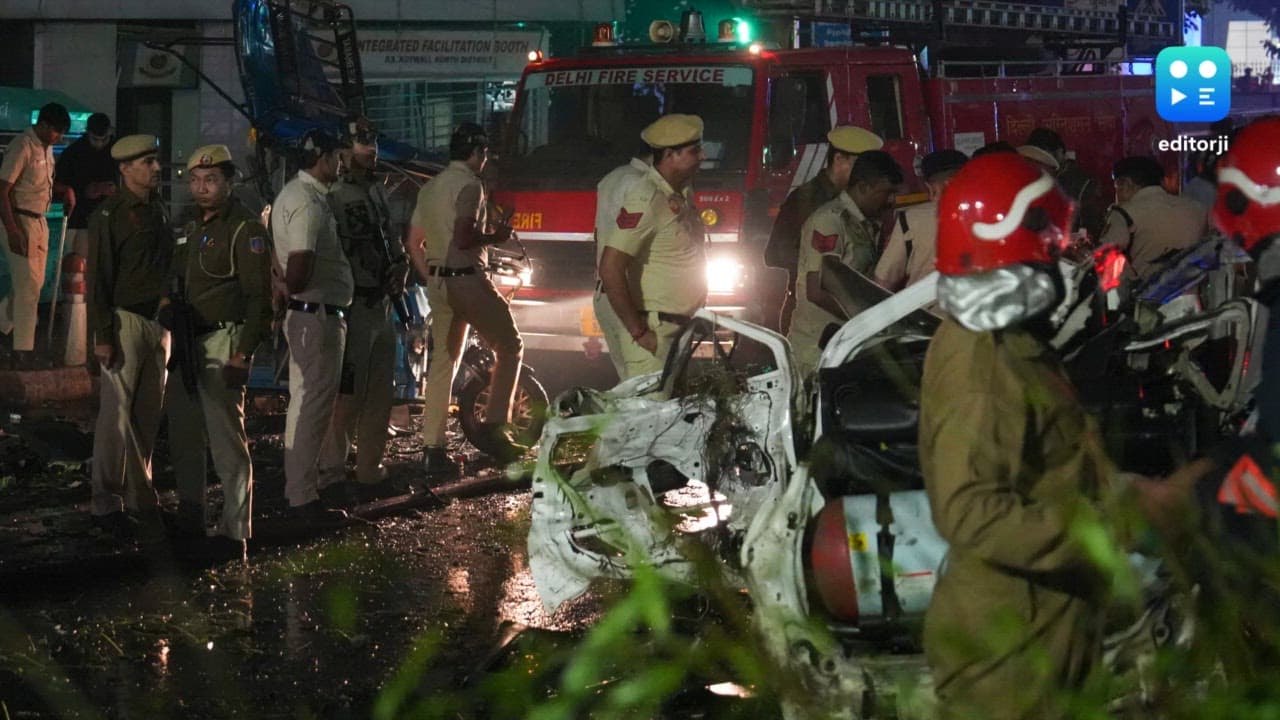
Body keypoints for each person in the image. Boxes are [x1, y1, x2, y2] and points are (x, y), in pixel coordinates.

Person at [918, 152, 1110, 719]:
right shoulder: (985, 358)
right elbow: (970, 510)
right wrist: (1101, 536)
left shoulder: (1004, 342)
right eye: (1054, 245)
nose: (1065, 257)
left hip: (1034, 631)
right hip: (1011, 657)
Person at [162, 144, 272, 558]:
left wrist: (243, 355)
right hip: (188, 343)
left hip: (224, 340)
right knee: (185, 434)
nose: (202, 187)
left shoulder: (245, 229)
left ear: (229, 182)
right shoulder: (189, 225)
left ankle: (235, 531)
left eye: (211, 180)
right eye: (195, 180)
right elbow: (175, 278)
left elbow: (259, 299)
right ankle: (192, 516)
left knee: (227, 439)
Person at [408, 122, 525, 478]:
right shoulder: (470, 185)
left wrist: (432, 278)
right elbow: (463, 236)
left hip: (439, 283)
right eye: (484, 153)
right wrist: (495, 236)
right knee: (510, 345)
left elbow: (414, 242)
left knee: (443, 365)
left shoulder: (430, 188)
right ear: (476, 153)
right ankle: (494, 430)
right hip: (467, 279)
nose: (485, 160)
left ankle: (433, 450)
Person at [317, 115, 408, 502]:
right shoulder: (333, 194)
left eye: (373, 142)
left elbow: (391, 238)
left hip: (382, 302)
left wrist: (401, 268)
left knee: (379, 393)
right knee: (347, 395)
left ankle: (370, 469)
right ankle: (331, 474)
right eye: (361, 143)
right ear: (342, 149)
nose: (371, 150)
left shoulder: (376, 190)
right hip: (353, 305)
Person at [86, 134, 171, 539]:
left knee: (146, 416)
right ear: (124, 169)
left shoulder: (156, 210)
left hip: (157, 323)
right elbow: (97, 279)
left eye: (154, 160)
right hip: (125, 322)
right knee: (115, 418)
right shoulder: (110, 215)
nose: (155, 167)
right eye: (145, 162)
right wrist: (103, 335)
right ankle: (105, 503)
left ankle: (141, 498)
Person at [273, 128, 351, 522]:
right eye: (337, 156)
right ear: (323, 158)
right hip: (315, 314)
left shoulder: (293, 193)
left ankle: (302, 491)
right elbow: (299, 265)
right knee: (311, 406)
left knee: (305, 403)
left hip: (309, 313)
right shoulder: (307, 202)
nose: (340, 163)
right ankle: (302, 498)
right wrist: (291, 287)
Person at [596, 114, 708, 381]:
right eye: (694, 151)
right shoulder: (646, 197)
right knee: (649, 417)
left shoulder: (676, 193)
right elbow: (610, 268)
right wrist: (640, 333)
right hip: (654, 332)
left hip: (674, 329)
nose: (702, 156)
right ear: (670, 155)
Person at [787, 150, 902, 377]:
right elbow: (817, 291)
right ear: (863, 187)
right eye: (886, 192)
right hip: (817, 350)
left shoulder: (866, 223)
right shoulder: (830, 221)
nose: (891, 201)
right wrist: (867, 318)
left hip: (845, 344)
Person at [765, 126, 883, 332]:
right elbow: (775, 254)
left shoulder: (853, 201)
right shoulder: (808, 200)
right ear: (839, 160)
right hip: (813, 315)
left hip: (844, 311)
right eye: (860, 165)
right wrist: (827, 262)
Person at [0, 102, 75, 368]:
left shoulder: (46, 147)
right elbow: (3, 191)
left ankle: (3, 326)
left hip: (39, 220)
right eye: (57, 132)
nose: (60, 138)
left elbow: (42, 184)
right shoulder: (23, 146)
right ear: (43, 125)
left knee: (33, 284)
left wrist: (65, 190)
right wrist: (12, 230)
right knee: (28, 288)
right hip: (20, 220)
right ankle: (23, 349)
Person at [592, 145, 652, 381]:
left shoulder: (610, 179)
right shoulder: (643, 185)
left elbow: (598, 237)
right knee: (646, 388)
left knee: (629, 382)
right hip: (630, 299)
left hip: (605, 295)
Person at [1099, 155, 1207, 283]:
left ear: (1125, 184)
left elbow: (1106, 256)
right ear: (1161, 182)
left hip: (1147, 297)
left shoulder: (1124, 213)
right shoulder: (1197, 209)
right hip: (1191, 296)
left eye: (1117, 187)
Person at [874, 149, 967, 291]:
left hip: (926, 312)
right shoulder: (995, 217)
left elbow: (883, 284)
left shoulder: (911, 219)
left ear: (932, 188)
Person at [1025, 127, 1106, 242]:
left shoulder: (1084, 182)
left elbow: (1094, 226)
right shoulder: (1030, 177)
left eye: (1043, 154)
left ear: (1059, 153)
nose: (1037, 161)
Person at [55, 112, 116, 260]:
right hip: (80, 219)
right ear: (88, 132)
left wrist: (114, 189)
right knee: (80, 266)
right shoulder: (73, 153)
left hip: (110, 220)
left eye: (104, 139)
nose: (100, 143)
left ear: (110, 133)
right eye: (95, 139)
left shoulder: (117, 152)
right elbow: (59, 184)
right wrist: (85, 190)